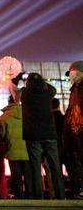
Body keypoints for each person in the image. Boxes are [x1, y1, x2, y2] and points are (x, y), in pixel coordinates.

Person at [20, 72, 65, 199]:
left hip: (32, 135)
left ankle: (38, 197)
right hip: (49, 134)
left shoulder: (25, 94)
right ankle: (61, 196)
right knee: (55, 166)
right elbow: (53, 88)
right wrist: (41, 81)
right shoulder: (48, 94)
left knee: (35, 167)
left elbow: (14, 87)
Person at [0, 95, 30, 199]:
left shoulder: (4, 117)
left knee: (16, 176)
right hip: (28, 151)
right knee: (28, 176)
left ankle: (19, 197)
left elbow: (1, 134)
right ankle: (30, 197)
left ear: (8, 103)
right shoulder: (28, 114)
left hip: (12, 151)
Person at [64, 60, 83, 199]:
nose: (71, 77)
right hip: (75, 133)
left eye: (74, 73)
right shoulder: (74, 91)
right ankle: (78, 189)